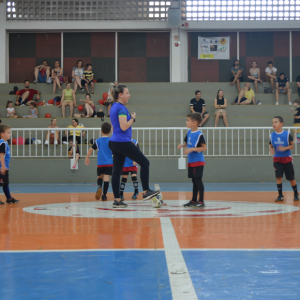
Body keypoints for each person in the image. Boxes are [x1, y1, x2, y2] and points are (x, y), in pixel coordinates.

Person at [109, 85, 160, 208]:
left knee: (117, 171)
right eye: (127, 93)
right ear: (120, 94)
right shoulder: (121, 108)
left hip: (115, 142)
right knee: (144, 163)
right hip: (122, 141)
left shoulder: (113, 107)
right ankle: (146, 191)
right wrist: (132, 118)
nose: (129, 95)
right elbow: (123, 126)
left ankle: (117, 200)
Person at [177, 113, 206, 208]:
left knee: (198, 180)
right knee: (194, 181)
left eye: (188, 120)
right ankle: (194, 200)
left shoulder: (199, 134)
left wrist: (192, 149)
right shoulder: (189, 132)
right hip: (191, 161)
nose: (186, 122)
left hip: (198, 161)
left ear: (194, 123)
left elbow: (204, 148)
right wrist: (182, 145)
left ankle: (201, 201)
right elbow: (187, 143)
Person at [269, 116, 299, 202]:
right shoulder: (272, 135)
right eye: (272, 122)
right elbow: (270, 146)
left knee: (291, 177)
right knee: (278, 177)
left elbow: (292, 146)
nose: (273, 124)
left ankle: (296, 193)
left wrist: (284, 148)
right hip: (277, 159)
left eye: (276, 122)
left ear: (281, 124)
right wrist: (271, 151)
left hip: (287, 159)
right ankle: (280, 195)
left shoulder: (287, 134)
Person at [85, 122, 113, 201]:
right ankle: (104, 195)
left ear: (101, 131)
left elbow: (91, 149)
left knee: (100, 177)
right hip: (109, 163)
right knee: (106, 179)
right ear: (110, 131)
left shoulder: (98, 141)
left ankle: (99, 186)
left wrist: (87, 157)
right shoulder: (111, 140)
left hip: (100, 163)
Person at [0, 124, 19, 205]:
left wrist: (7, 164)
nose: (10, 134)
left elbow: (3, 156)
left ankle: (9, 198)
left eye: (10, 132)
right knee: (2, 183)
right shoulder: (3, 143)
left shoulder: (3, 143)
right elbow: (1, 155)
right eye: (8, 133)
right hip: (1, 168)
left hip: (3, 166)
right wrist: (3, 166)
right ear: (2, 134)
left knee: (5, 183)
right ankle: (9, 198)